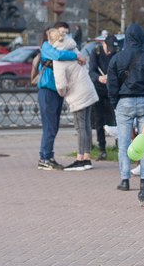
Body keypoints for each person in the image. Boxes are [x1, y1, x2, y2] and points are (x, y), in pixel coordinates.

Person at [107, 23, 144, 206]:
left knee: (124, 143)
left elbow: (112, 86)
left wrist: (116, 104)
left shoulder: (117, 58)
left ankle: (124, 180)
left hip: (124, 102)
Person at [36, 21, 85, 170]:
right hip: (47, 90)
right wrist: (75, 56)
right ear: (53, 33)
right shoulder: (47, 46)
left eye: (66, 33)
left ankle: (47, 156)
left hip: (57, 91)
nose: (63, 35)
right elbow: (57, 55)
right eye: (61, 32)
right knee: (50, 126)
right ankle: (45, 157)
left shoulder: (62, 45)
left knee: (54, 126)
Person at [50, 28, 99, 170]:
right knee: (87, 125)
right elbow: (86, 65)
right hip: (88, 89)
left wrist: (63, 93)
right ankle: (87, 157)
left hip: (77, 94)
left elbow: (61, 84)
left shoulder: (58, 58)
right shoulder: (74, 49)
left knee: (80, 126)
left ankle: (80, 159)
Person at [89, 33, 119, 160]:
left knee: (118, 118)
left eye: (113, 50)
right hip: (99, 89)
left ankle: (120, 145)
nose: (110, 52)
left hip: (112, 90)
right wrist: (99, 78)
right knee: (99, 120)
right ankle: (102, 149)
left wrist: (112, 78)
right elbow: (91, 71)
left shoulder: (116, 53)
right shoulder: (95, 52)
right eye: (109, 49)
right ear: (104, 44)